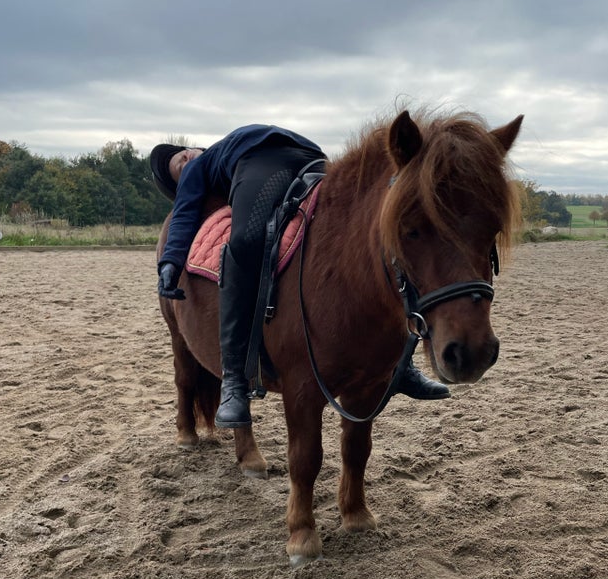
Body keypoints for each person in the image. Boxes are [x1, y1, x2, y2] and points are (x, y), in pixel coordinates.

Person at [150, 125, 449, 430]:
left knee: (245, 242)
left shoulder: (212, 156)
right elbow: (186, 211)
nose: (187, 159)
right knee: (359, 239)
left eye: (183, 154)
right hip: (312, 158)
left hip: (266, 161)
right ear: (181, 183)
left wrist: (169, 264)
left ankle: (235, 383)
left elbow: (186, 214)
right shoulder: (199, 173)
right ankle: (403, 363)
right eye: (179, 167)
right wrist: (171, 260)